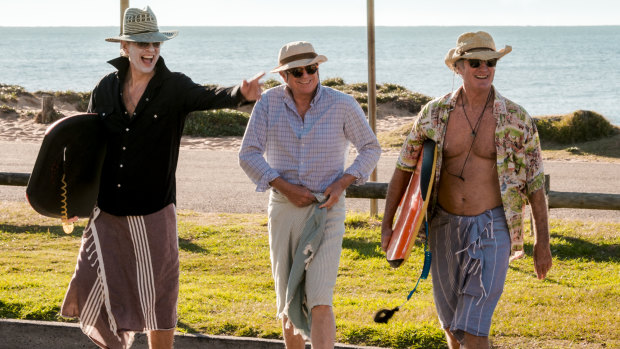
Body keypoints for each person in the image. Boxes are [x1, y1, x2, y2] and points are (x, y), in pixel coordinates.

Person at [59, 6, 263, 349]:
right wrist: (69, 198)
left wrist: (240, 94)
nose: (150, 50)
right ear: (125, 47)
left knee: (159, 297)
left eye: (155, 43)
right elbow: (88, 148)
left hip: (153, 213)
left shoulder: (174, 87)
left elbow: (209, 96)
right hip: (107, 213)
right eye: (142, 44)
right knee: (93, 283)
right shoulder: (105, 88)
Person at [380, 31, 552, 349]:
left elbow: (535, 184)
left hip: (492, 228)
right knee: (451, 328)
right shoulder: (432, 114)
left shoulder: (517, 119)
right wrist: (389, 227)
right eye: (475, 62)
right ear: (458, 67)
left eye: (490, 62)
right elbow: (403, 169)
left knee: (474, 330)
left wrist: (543, 241)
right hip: (444, 227)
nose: (484, 68)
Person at [239, 41, 381, 348]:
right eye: (298, 71)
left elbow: (370, 148)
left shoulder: (342, 104)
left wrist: (344, 181)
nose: (307, 75)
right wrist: (284, 187)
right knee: (289, 297)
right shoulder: (268, 104)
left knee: (319, 298)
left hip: (327, 210)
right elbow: (248, 154)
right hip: (284, 210)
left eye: (312, 68)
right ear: (284, 76)